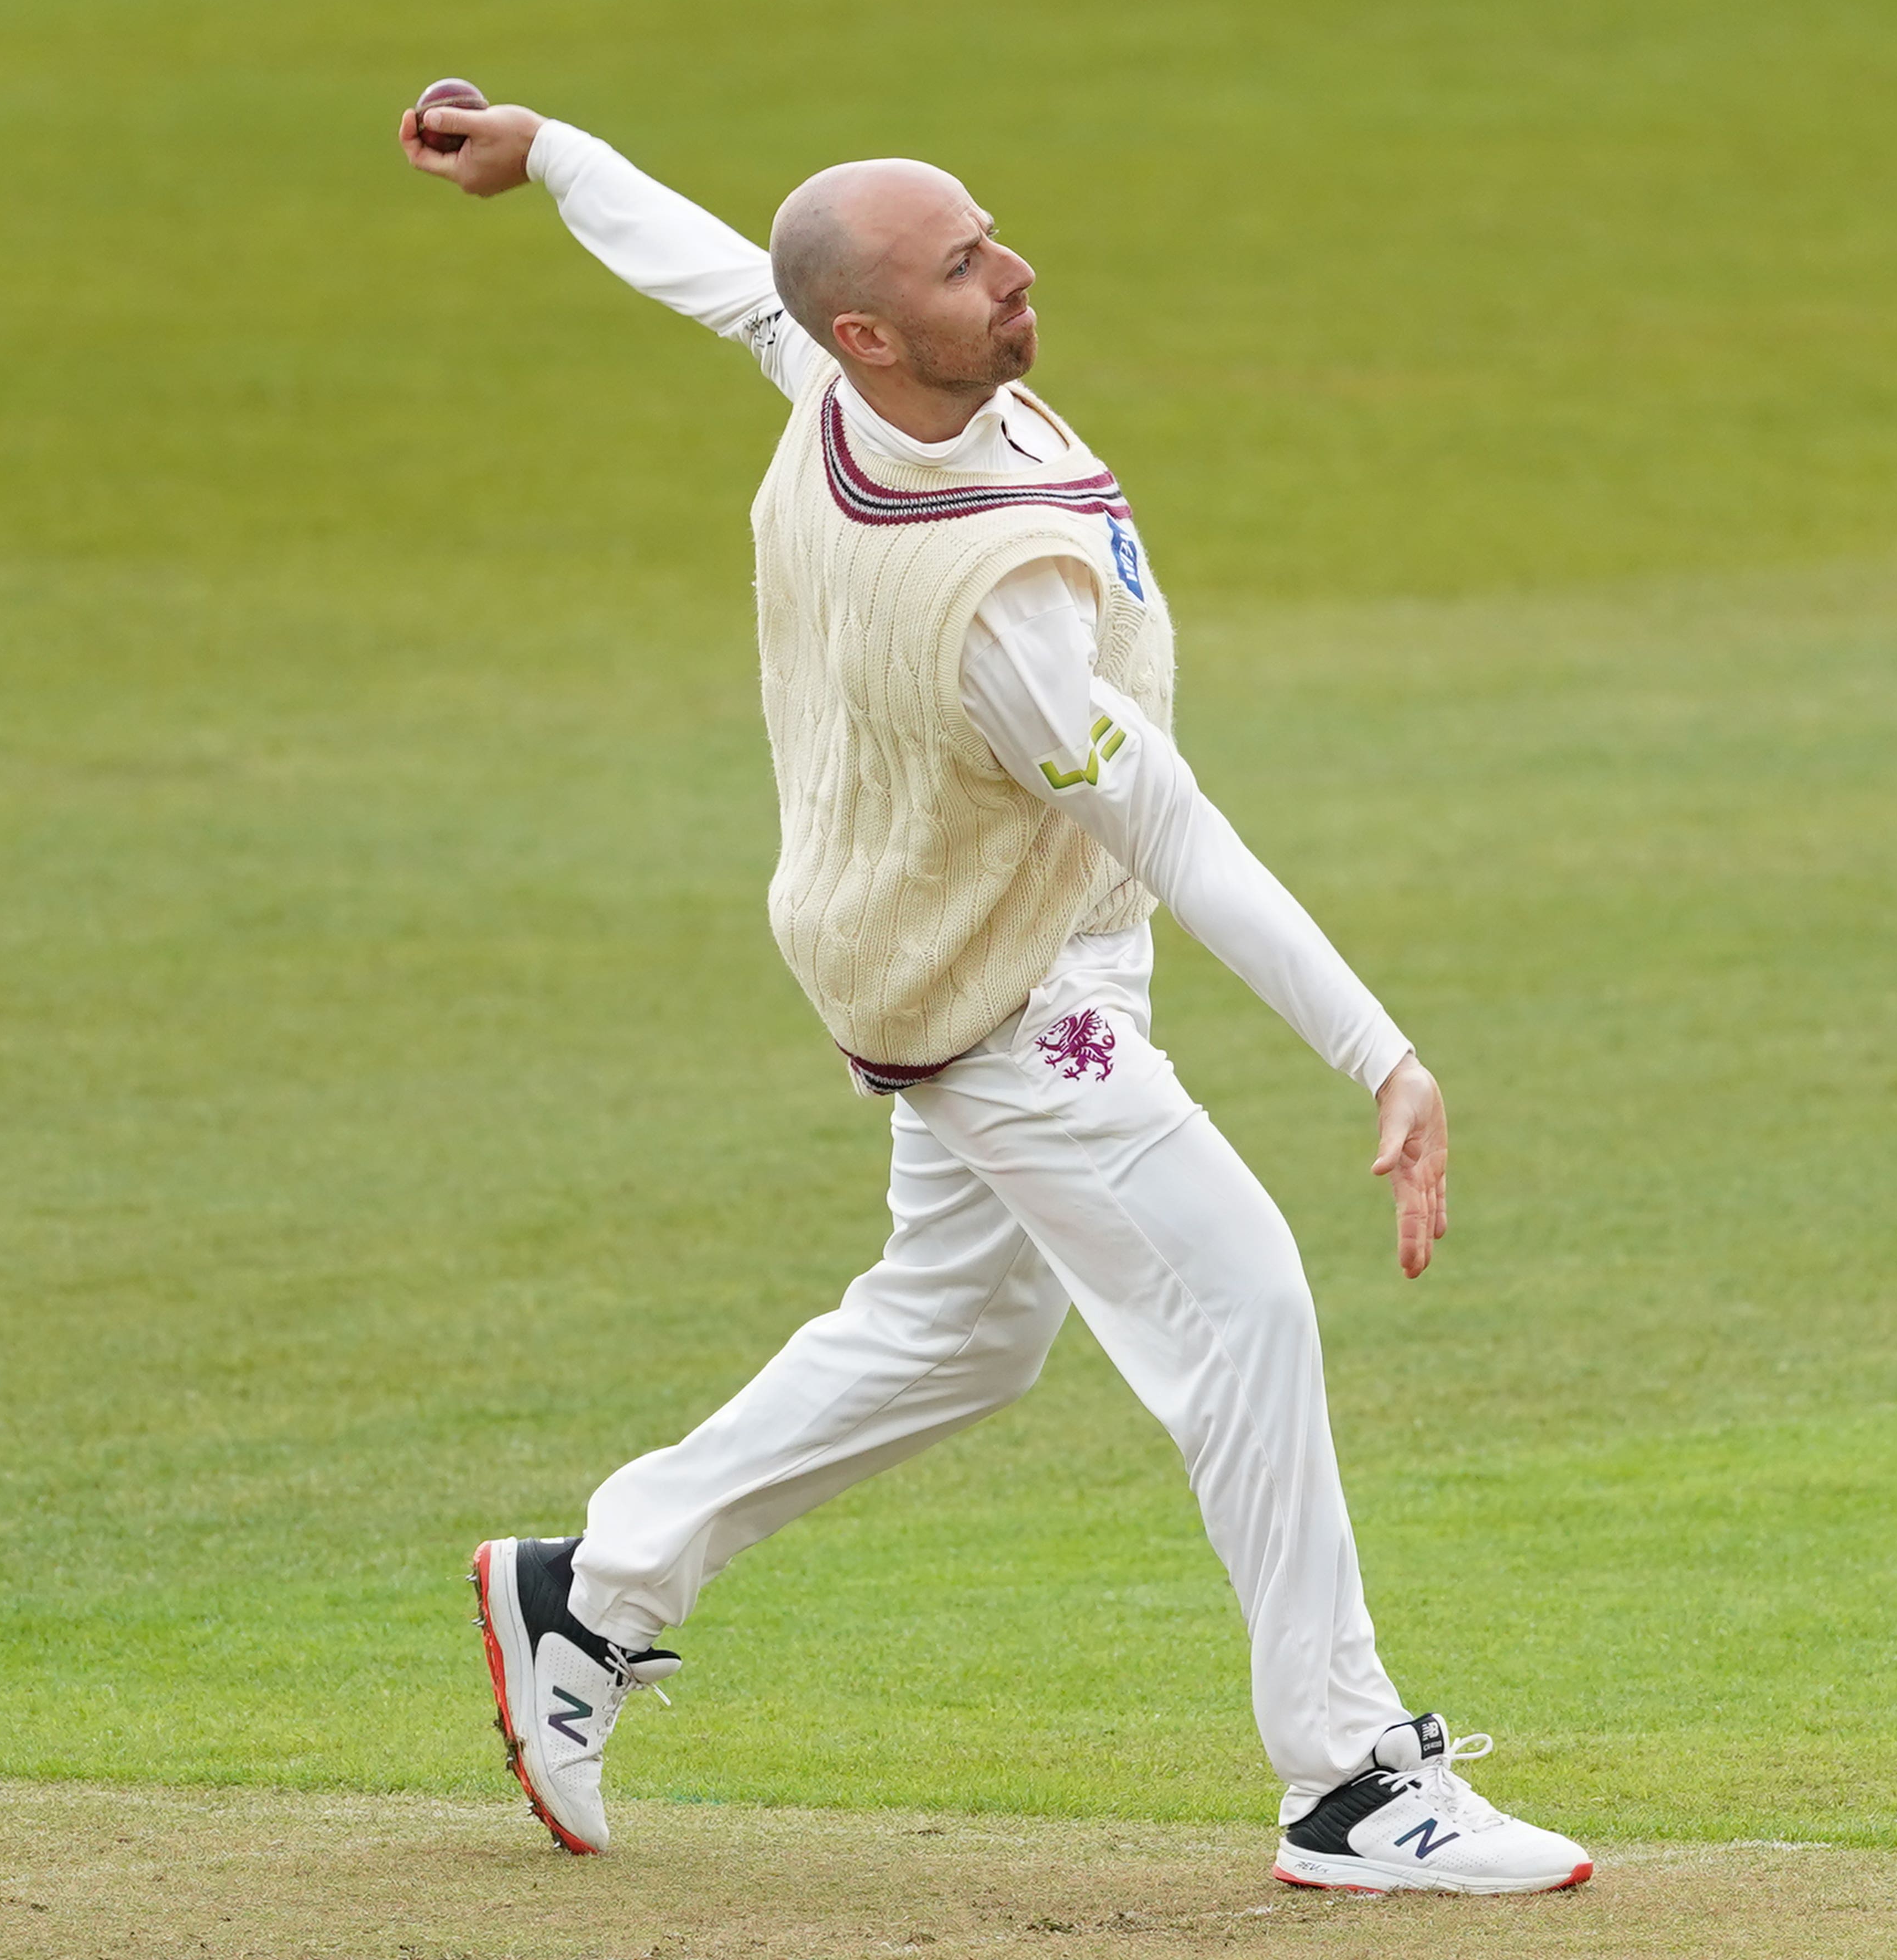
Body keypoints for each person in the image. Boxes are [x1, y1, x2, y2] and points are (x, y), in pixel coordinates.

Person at [400, 91, 1590, 1898]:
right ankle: (1350, 1781)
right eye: (965, 267)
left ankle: (596, 1584)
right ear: (872, 333)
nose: (1013, 274)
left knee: (962, 1333)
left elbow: (724, 277)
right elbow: (1176, 831)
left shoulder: (840, 381)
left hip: (954, 924)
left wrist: (552, 152)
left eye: (991, 234)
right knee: (1245, 1303)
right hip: (1011, 994)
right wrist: (1382, 1055)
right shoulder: (993, 615)